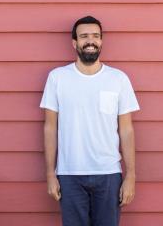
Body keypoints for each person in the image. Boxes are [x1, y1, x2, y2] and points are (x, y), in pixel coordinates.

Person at [39, 15, 140, 226]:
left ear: (101, 41)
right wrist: (50, 173)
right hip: (69, 173)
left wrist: (130, 176)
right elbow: (50, 128)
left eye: (95, 36)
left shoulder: (118, 79)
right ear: (74, 42)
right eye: (84, 36)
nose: (90, 41)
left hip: (109, 173)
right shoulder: (57, 78)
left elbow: (127, 130)